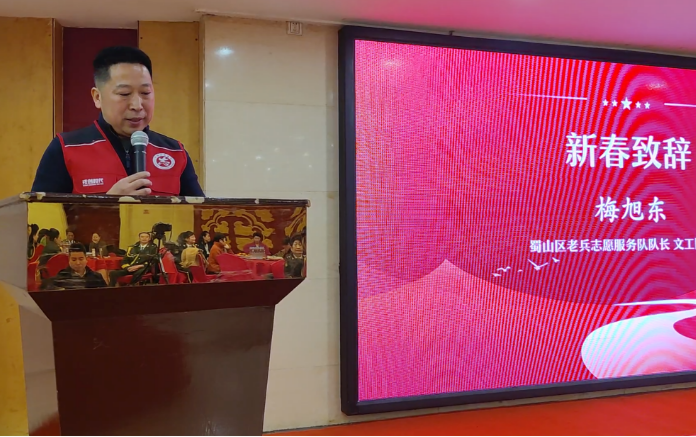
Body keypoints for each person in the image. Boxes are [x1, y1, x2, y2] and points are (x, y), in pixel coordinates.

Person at [31, 46, 204, 197]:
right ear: (97, 97)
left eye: (145, 93)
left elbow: (199, 216)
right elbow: (41, 218)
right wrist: (107, 206)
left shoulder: (175, 152)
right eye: (124, 94)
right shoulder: (66, 149)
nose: (137, 105)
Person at [41, 244, 107, 290]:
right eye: (74, 259)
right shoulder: (62, 277)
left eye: (81, 259)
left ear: (86, 259)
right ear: (69, 260)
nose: (78, 263)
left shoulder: (96, 277)